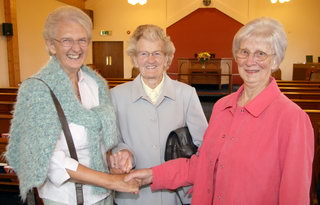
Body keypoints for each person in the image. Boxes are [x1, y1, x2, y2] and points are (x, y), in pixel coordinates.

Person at [125, 17, 315, 205]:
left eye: (261, 54)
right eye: (244, 52)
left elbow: (294, 195)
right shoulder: (222, 106)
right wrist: (151, 175)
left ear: (275, 61)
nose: (250, 61)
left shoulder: (292, 118)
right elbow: (202, 165)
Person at [5, 6, 138, 205]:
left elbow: (103, 141)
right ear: (51, 45)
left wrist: (115, 160)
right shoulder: (37, 90)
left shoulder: (96, 84)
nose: (76, 48)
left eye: (82, 40)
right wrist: (111, 181)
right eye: (67, 40)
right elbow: (49, 160)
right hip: (65, 198)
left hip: (104, 196)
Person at [109, 24, 208, 205]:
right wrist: (122, 151)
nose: (150, 60)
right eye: (143, 53)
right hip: (133, 194)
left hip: (176, 195)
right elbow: (112, 141)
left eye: (157, 53)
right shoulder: (116, 95)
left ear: (167, 58)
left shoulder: (186, 94)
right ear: (134, 58)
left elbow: (205, 144)